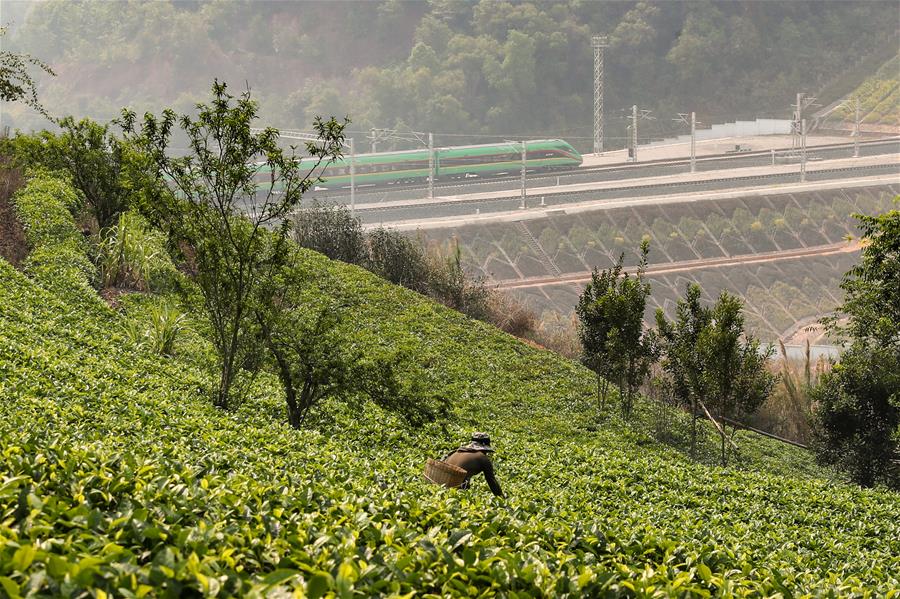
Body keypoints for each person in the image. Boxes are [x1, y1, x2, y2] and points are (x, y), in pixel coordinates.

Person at [444, 432, 504, 497]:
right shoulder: (482, 458)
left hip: (441, 483)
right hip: (455, 488)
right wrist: (502, 499)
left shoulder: (456, 452)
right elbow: (492, 481)